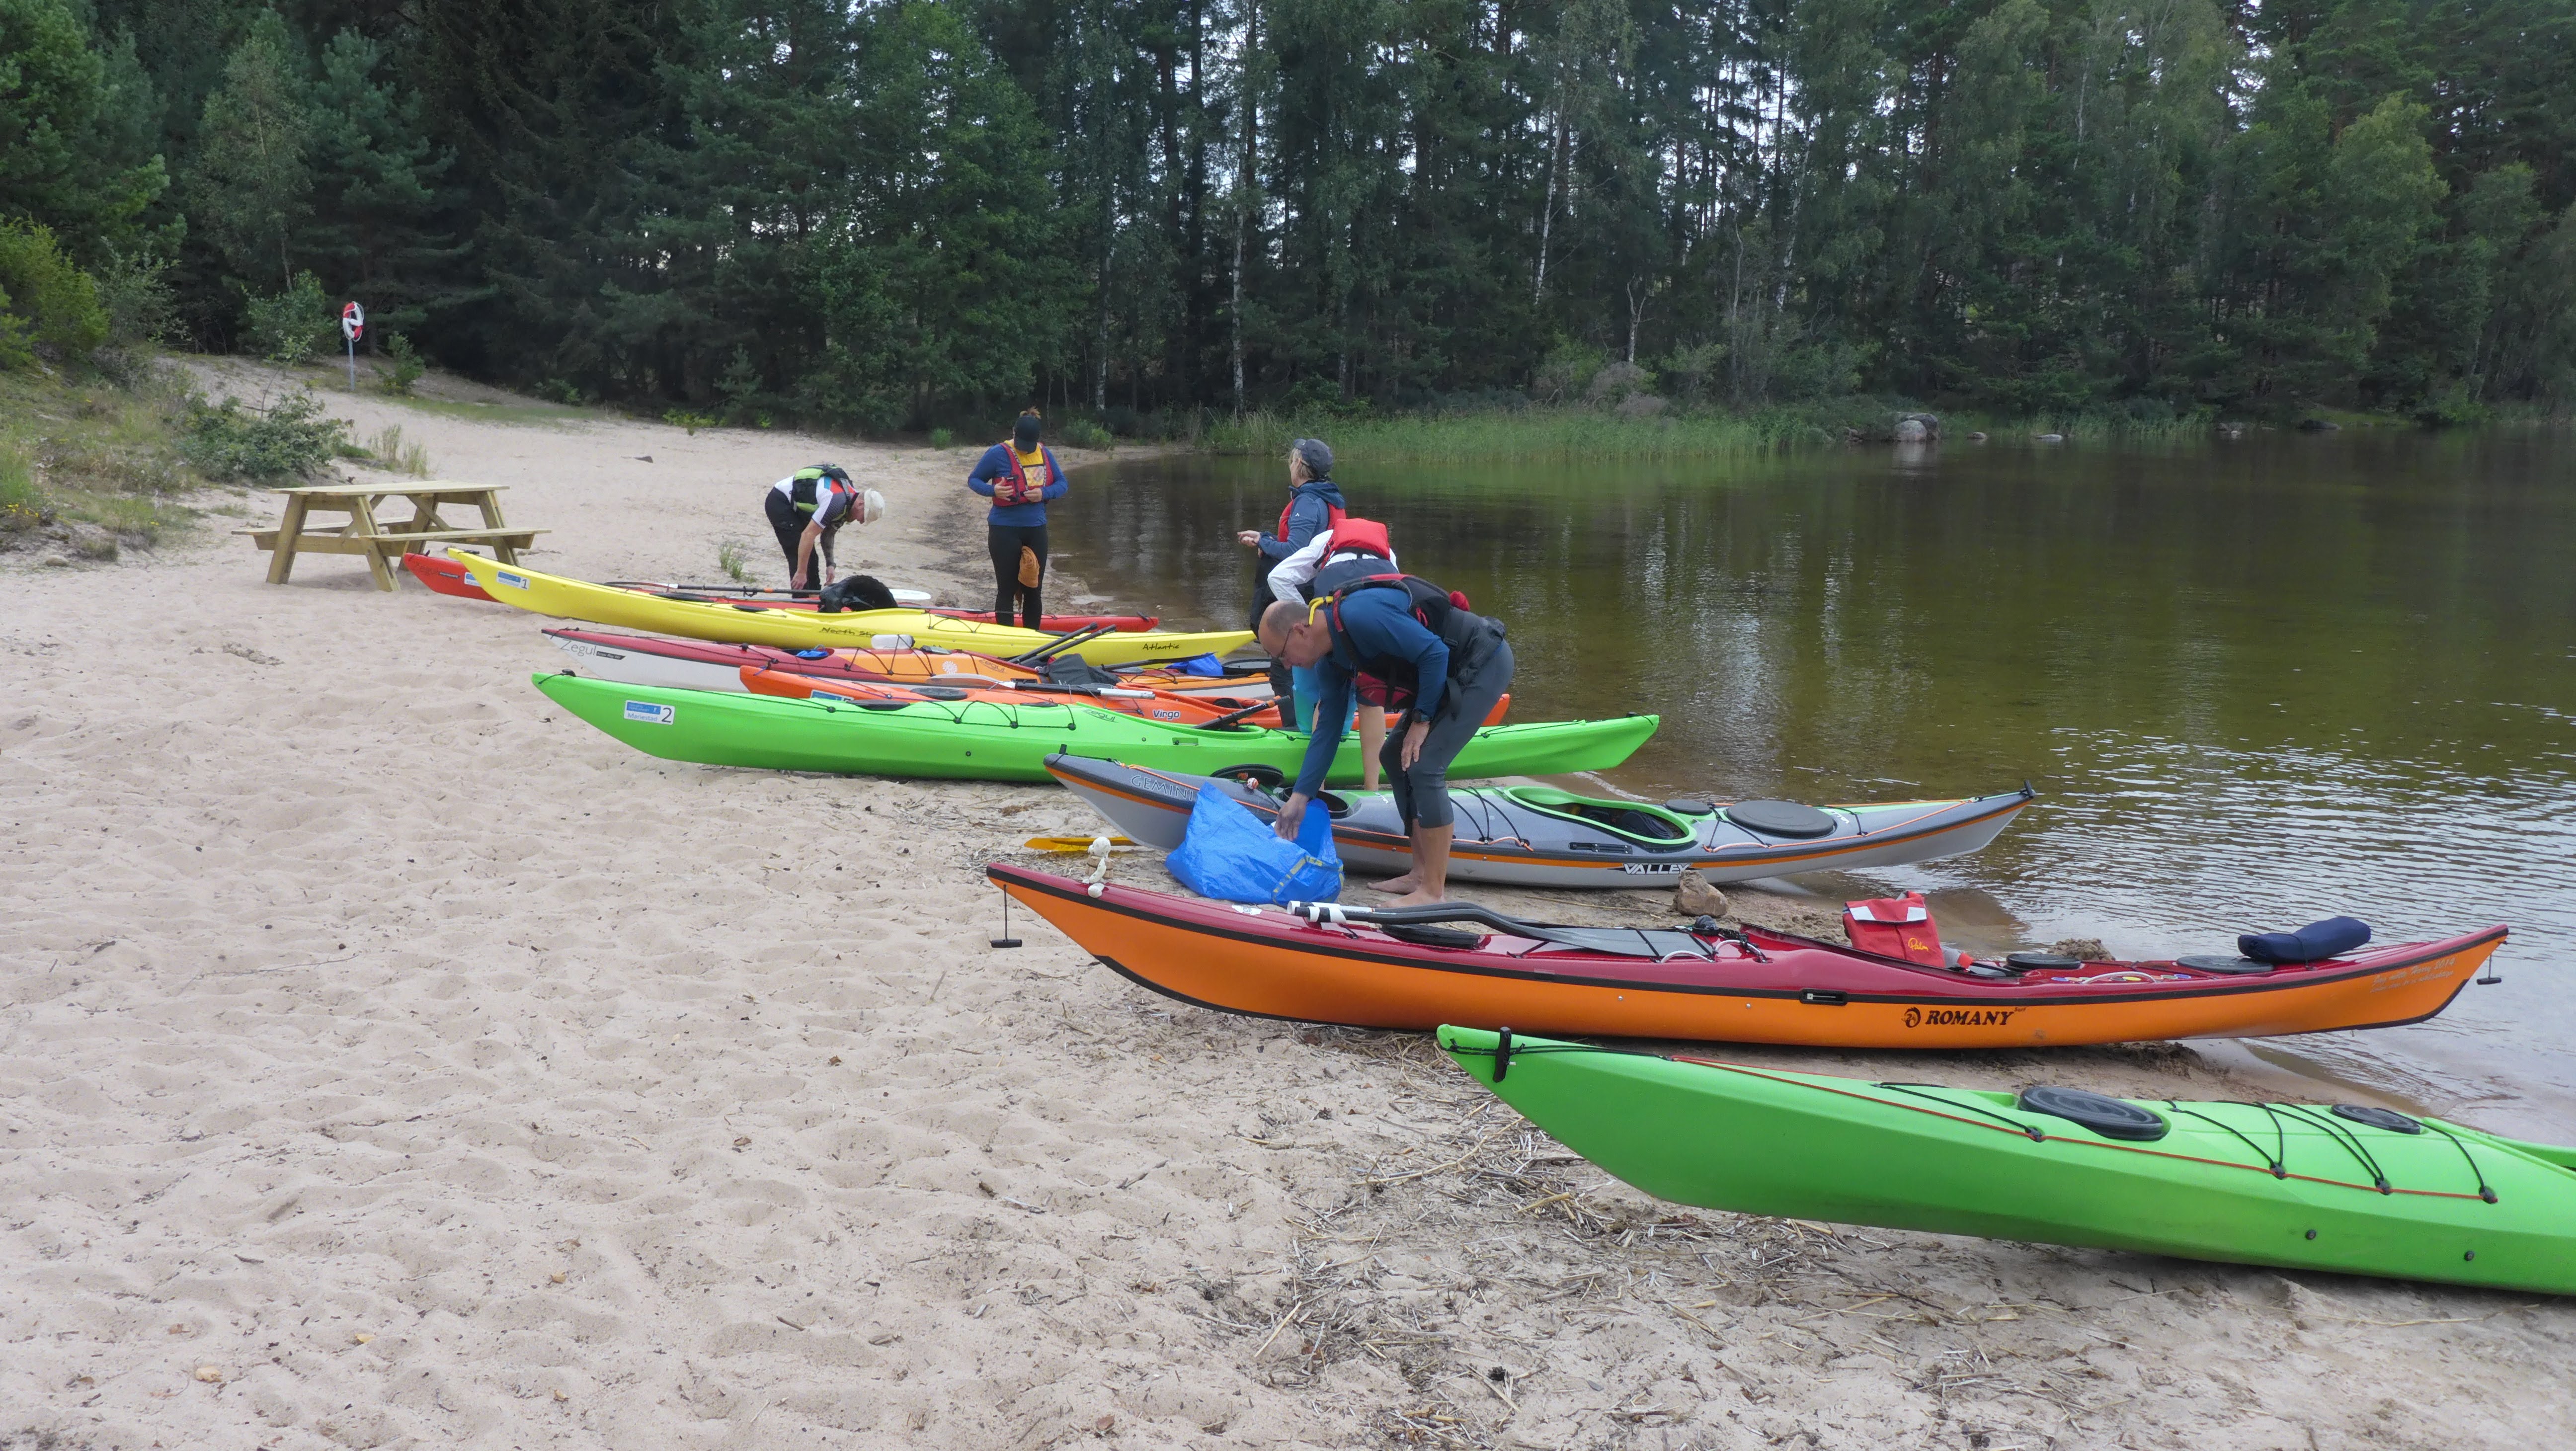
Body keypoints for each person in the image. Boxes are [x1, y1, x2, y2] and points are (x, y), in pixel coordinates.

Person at [1257, 559, 1513, 906]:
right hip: (1445, 676)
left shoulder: (1360, 616)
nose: (1287, 666)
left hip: (1482, 661)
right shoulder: (1331, 657)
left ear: (1300, 630)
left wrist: (1421, 722)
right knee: (1393, 755)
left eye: (1283, 655)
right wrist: (1301, 797)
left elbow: (1434, 653)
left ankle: (1432, 892)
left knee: (1426, 765)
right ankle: (1420, 874)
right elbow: (1328, 728)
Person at [1266, 515, 1397, 789]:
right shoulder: (1388, 552)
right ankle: (1372, 788)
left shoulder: (1323, 542)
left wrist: (1304, 620)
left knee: (1327, 699)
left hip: (1337, 613)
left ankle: (1319, 786)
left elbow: (1278, 577)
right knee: (1371, 699)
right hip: (1376, 615)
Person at [1234, 437, 1344, 726]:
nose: (1289, 465)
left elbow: (1295, 551)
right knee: (1299, 669)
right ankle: (1316, 721)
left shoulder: (1308, 502)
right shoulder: (1325, 496)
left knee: (1282, 672)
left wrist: (1266, 543)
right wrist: (1266, 540)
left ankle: (1298, 731)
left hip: (1302, 598)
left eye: (1291, 460)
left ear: (1299, 464)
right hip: (1317, 592)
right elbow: (1305, 549)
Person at [967, 409, 1068, 628]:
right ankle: (1007, 640)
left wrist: (1045, 493)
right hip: (1004, 528)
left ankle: (1031, 640)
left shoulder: (1044, 453)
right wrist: (993, 490)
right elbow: (974, 480)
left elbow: (1062, 484)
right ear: (1013, 433)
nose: (1025, 449)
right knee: (1007, 588)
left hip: (1036, 529)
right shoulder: (997, 453)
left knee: (1034, 588)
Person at [765, 464, 873, 594]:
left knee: (811, 558)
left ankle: (814, 597)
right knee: (799, 556)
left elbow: (828, 535)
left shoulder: (848, 503)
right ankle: (801, 601)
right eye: (864, 517)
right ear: (861, 504)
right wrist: (801, 573)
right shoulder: (837, 501)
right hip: (780, 502)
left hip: (797, 509)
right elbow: (808, 535)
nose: (861, 522)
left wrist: (830, 564)